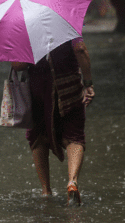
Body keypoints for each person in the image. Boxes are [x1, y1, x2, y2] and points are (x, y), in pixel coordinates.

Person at [12, 37, 95, 206]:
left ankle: (46, 191)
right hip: (69, 85)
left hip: (38, 88)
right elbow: (80, 50)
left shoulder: (24, 27)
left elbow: (18, 65)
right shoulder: (66, 21)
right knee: (74, 134)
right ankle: (72, 182)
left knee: (38, 135)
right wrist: (88, 83)